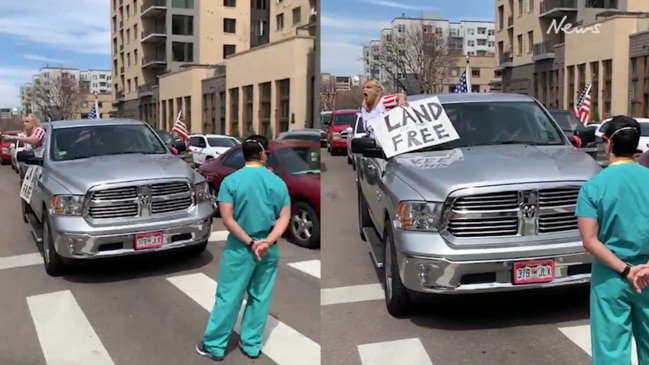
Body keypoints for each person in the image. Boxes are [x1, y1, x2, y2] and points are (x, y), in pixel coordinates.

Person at [196, 135, 291, 362]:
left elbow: (227, 219)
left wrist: (250, 242)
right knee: (260, 298)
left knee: (229, 296)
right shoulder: (277, 182)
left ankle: (215, 345)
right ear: (262, 155)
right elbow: (284, 217)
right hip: (268, 248)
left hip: (240, 248)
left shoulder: (231, 181)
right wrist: (266, 242)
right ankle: (251, 344)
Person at [575, 115, 649, 365]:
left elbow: (589, 240)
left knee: (610, 350)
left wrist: (627, 271)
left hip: (610, 275)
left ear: (607, 142)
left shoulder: (593, 187)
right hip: (648, 271)